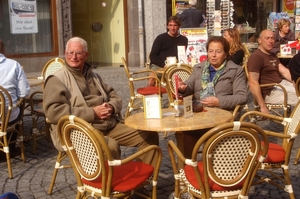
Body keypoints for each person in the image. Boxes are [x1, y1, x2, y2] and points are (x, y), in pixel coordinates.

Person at [43, 37, 159, 165]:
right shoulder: (57, 79)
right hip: (82, 129)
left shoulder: (93, 75)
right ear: (65, 54)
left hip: (109, 124)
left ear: (86, 55)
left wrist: (111, 107)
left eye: (78, 53)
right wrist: (93, 113)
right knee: (110, 147)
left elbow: (114, 96)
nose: (74, 57)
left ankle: (141, 179)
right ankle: (111, 184)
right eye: (70, 53)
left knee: (149, 135)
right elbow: (53, 113)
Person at [177, 36, 248, 157]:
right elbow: (189, 86)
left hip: (222, 116)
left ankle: (217, 168)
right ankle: (187, 168)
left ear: (225, 54)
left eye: (218, 51)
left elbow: (242, 97)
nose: (213, 55)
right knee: (184, 133)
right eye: (210, 51)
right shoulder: (199, 68)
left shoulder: (235, 70)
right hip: (199, 115)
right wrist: (183, 88)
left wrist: (219, 101)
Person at [247, 29, 298, 115]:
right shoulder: (256, 57)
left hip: (281, 85)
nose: (270, 41)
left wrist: (296, 81)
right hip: (271, 92)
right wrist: (262, 106)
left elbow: (285, 72)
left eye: (272, 38)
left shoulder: (272, 55)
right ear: (259, 40)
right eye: (267, 38)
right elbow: (252, 83)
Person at [0, 39, 30, 156]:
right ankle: (10, 147)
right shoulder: (14, 65)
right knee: (17, 108)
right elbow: (24, 92)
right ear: (3, 50)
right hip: (8, 117)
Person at [148, 15, 188, 86]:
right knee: (152, 78)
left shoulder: (184, 40)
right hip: (159, 66)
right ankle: (149, 96)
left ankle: (179, 95)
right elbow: (153, 56)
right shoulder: (160, 38)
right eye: (170, 25)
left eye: (175, 25)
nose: (172, 28)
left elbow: (183, 55)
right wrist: (163, 65)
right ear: (167, 26)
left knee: (188, 78)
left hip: (176, 67)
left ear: (179, 26)